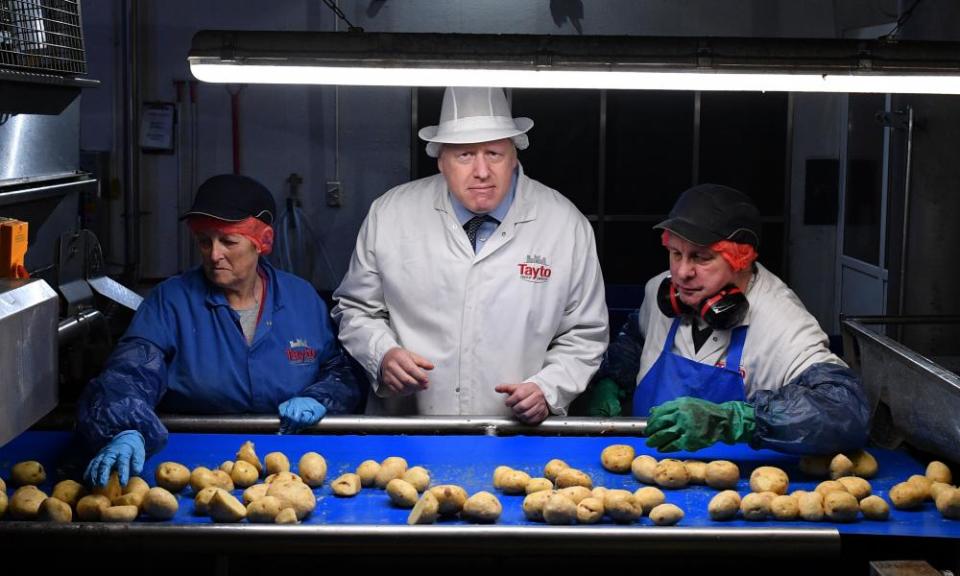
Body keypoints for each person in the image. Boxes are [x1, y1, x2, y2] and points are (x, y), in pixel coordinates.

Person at [332, 86, 608, 424]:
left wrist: (548, 389)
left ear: (514, 156)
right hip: (408, 433)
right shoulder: (390, 214)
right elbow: (356, 309)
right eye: (464, 155)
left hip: (518, 437)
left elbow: (585, 333)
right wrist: (382, 354)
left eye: (494, 153)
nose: (481, 171)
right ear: (441, 161)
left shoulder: (564, 224)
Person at [77, 174, 361, 486]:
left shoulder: (301, 298)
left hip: (291, 467)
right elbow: (128, 373)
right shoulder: (172, 301)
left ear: (261, 242)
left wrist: (321, 397)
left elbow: (340, 368)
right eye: (204, 241)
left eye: (228, 241)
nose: (214, 255)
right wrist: (124, 427)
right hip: (191, 467)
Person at [585, 183, 870, 455]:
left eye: (702, 257)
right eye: (675, 254)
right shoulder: (660, 291)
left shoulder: (781, 321)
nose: (682, 273)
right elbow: (637, 337)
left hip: (737, 487)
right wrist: (612, 379)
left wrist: (737, 420)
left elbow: (847, 411)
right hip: (644, 466)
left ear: (741, 259)